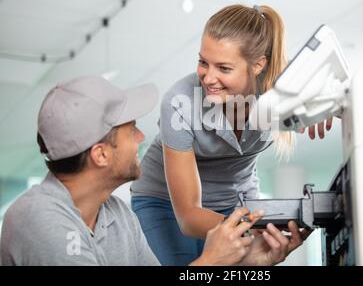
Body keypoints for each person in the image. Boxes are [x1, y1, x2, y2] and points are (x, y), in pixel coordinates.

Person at [0, 76, 303, 266]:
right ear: (101, 154)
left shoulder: (118, 217)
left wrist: (245, 264)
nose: (142, 138)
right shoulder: (39, 220)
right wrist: (210, 261)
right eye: (130, 130)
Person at [130, 4, 332, 265]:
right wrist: (251, 226)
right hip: (165, 202)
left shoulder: (283, 88)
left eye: (223, 68)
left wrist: (327, 104)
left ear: (258, 65)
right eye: (203, 62)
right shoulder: (180, 103)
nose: (208, 78)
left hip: (234, 201)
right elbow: (189, 217)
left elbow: (350, 93)